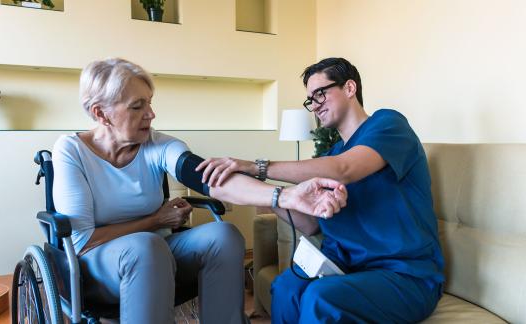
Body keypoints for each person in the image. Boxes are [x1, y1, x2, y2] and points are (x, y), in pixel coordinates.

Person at [52, 58, 347, 324]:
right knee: (145, 246)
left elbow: (209, 178)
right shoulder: (71, 151)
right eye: (137, 106)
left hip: (158, 251)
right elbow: (82, 240)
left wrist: (284, 196)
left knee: (224, 235)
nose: (151, 114)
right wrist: (154, 221)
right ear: (101, 114)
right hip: (97, 263)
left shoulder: (157, 145)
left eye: (150, 102)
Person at [198, 57, 445, 323]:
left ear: (350, 88)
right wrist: (268, 196)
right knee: (285, 288)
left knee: (321, 297)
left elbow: (344, 169)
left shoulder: (388, 125)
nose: (315, 106)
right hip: (345, 268)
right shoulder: (332, 153)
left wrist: (255, 167)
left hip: (404, 275)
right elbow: (312, 225)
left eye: (320, 94)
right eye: (310, 100)